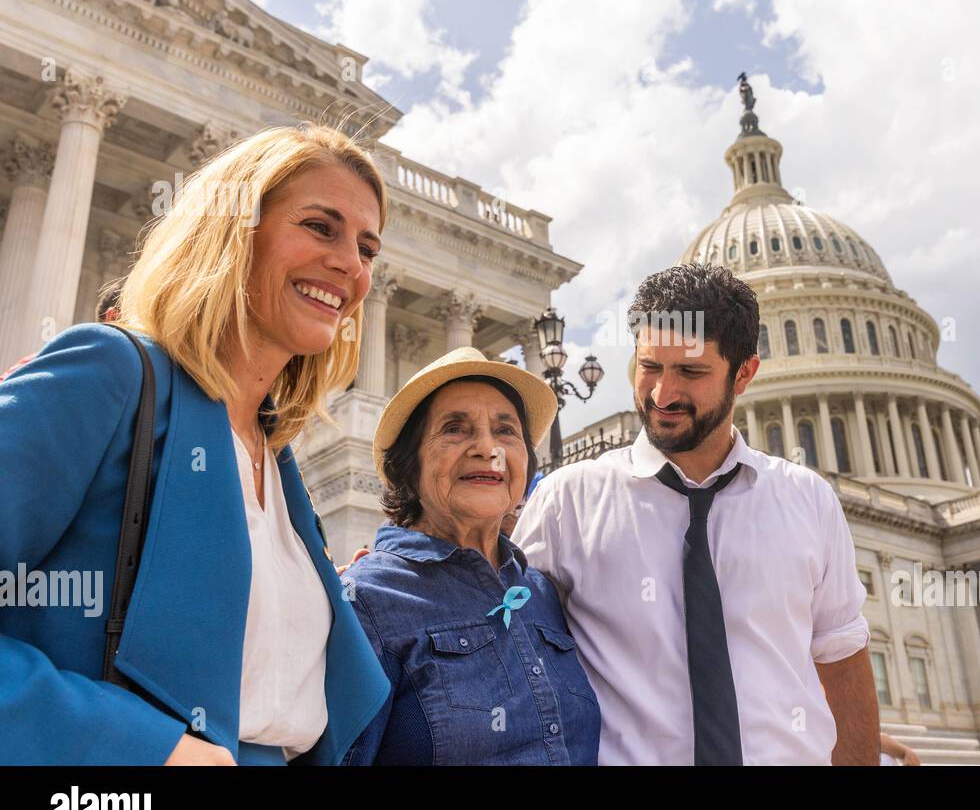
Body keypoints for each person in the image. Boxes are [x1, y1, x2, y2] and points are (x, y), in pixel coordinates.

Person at [0, 123, 390, 765]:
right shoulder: (111, 373)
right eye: (321, 226)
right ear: (234, 230)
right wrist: (145, 749)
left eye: (368, 248)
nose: (351, 263)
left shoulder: (276, 461)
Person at [513, 263, 879, 765]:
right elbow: (510, 649)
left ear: (744, 373)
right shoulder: (565, 503)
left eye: (690, 371)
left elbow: (841, 654)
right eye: (650, 367)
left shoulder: (808, 500)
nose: (663, 395)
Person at [342, 347, 600, 765]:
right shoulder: (367, 600)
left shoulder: (541, 592)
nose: (487, 448)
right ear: (410, 466)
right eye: (455, 429)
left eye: (506, 432)